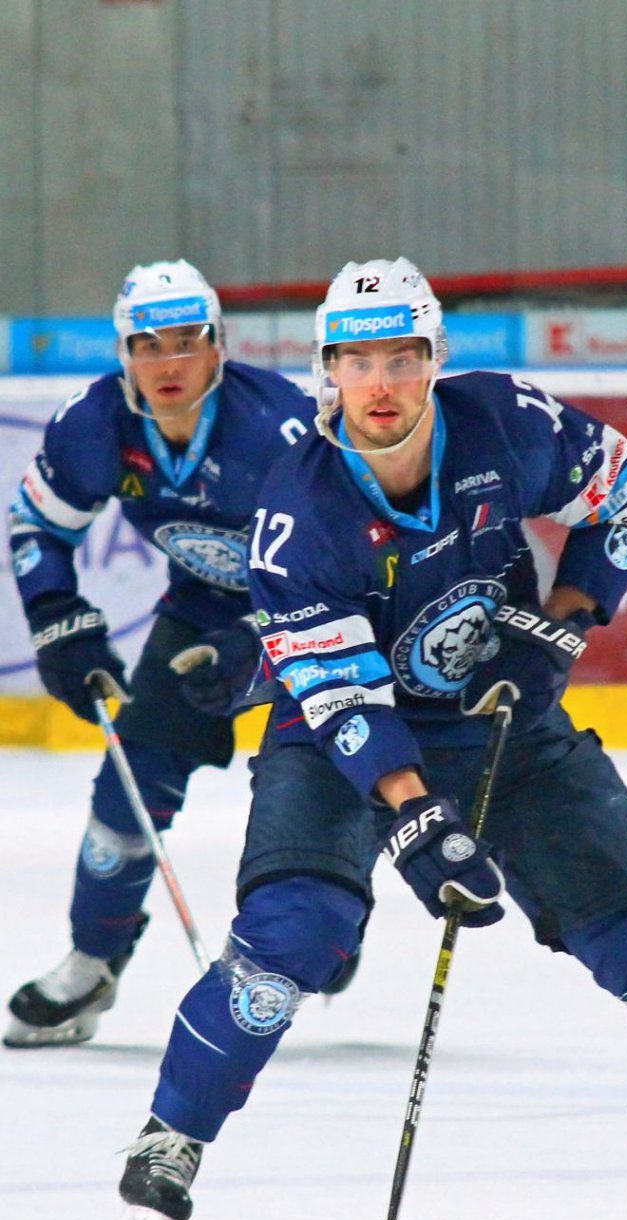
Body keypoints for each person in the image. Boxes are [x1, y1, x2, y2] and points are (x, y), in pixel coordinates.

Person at [116, 257, 627, 1220]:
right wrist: (419, 820)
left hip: (495, 713)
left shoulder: (506, 421)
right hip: (334, 733)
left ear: (435, 358)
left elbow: (624, 496)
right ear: (326, 371)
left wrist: (558, 625)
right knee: (290, 936)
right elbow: (341, 696)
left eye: (401, 357)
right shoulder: (297, 517)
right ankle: (172, 1134)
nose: (379, 383)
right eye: (355, 362)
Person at [4, 259, 360, 1050]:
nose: (169, 362)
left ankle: (329, 919)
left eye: (186, 341)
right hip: (200, 612)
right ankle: (92, 961)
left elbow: (352, 560)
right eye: (148, 345)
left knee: (321, 783)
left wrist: (263, 640)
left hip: (315, 616)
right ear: (124, 353)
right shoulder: (94, 425)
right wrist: (57, 615)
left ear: (218, 344)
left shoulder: (280, 428)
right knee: (127, 789)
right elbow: (38, 527)